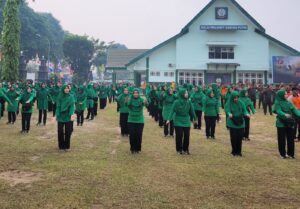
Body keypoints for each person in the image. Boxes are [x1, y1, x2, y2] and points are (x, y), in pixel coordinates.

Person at [167, 88, 196, 155]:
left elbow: (192, 111)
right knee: (179, 136)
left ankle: (185, 149)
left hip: (186, 120)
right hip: (178, 120)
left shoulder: (189, 102)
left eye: (187, 93)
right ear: (182, 94)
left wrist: (195, 119)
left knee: (186, 135)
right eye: (185, 93)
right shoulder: (176, 102)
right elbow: (172, 111)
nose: (187, 94)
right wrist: (169, 119)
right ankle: (179, 149)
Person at [273, 89, 300, 159]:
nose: (286, 95)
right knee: (282, 139)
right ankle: (283, 154)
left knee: (291, 138)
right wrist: (284, 114)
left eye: (286, 94)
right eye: (285, 94)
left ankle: (290, 154)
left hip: (289, 123)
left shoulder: (288, 102)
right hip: (281, 123)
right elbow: (278, 111)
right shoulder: (277, 102)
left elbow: (294, 110)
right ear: (281, 95)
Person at [225, 91, 250, 157]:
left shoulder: (241, 103)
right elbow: (227, 109)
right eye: (234, 98)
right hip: (232, 122)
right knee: (234, 138)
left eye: (237, 98)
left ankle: (239, 151)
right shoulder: (229, 103)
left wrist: (246, 114)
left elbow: (244, 110)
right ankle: (234, 151)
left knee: (239, 138)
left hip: (240, 122)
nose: (236, 99)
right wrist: (229, 113)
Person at [126, 88, 147, 154]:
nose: (136, 94)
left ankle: (138, 149)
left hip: (140, 120)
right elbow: (127, 105)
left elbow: (146, 105)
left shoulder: (141, 99)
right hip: (131, 120)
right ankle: (132, 149)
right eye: (134, 93)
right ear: (133, 94)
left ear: (138, 94)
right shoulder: (130, 99)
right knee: (132, 135)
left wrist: (146, 102)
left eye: (137, 93)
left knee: (138, 135)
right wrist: (126, 101)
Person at [55, 84, 75, 151]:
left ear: (69, 89)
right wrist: (57, 115)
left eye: (68, 88)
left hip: (68, 116)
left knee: (68, 131)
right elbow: (58, 106)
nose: (66, 89)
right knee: (60, 131)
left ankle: (67, 146)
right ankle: (61, 146)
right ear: (63, 89)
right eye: (65, 88)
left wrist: (71, 114)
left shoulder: (71, 96)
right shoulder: (59, 96)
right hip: (60, 116)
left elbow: (72, 106)